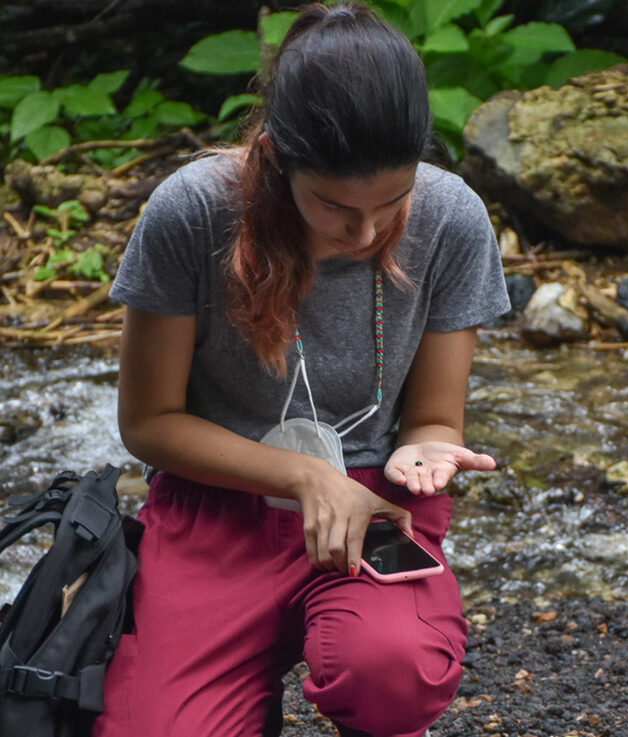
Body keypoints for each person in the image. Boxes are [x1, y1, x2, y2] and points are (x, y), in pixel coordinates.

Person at [94, 3, 510, 737]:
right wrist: (306, 477)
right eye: (335, 205)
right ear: (278, 155)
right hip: (216, 506)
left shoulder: (453, 218)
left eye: (393, 200)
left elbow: (434, 418)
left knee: (392, 669)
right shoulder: (190, 215)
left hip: (376, 508)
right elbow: (148, 423)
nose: (367, 231)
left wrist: (424, 447)